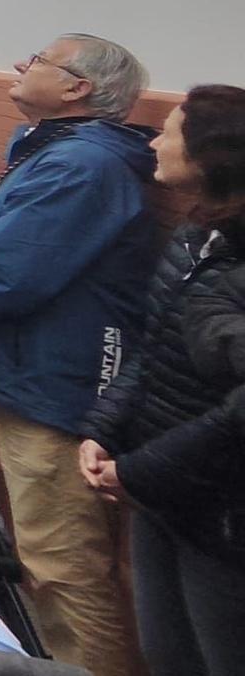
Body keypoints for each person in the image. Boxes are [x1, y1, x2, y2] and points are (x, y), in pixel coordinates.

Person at [0, 34, 156, 676]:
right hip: (31, 370)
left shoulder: (80, 166)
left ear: (78, 88)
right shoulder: (56, 153)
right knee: (45, 561)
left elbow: (7, 270)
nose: (22, 66)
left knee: (63, 569)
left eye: (39, 60)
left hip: (56, 384)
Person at [79, 86, 245, 676]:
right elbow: (154, 347)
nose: (154, 140)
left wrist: (144, 469)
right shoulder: (196, 237)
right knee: (167, 654)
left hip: (223, 509)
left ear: (211, 155)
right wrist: (105, 429)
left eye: (169, 132)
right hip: (159, 490)